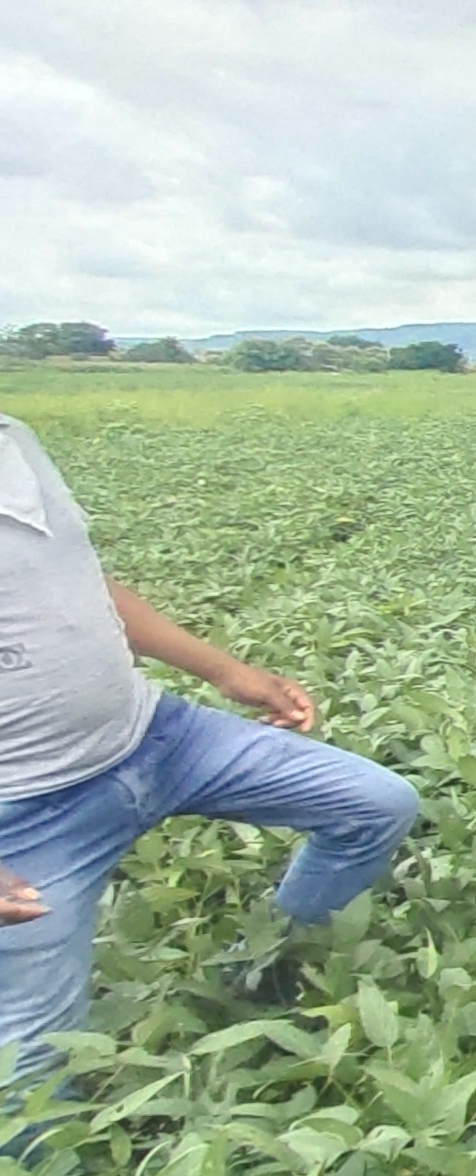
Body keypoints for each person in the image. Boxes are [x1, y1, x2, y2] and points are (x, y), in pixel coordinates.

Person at [0, 412, 420, 1084]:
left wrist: (225, 671)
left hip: (157, 737)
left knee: (374, 803)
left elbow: (83, 583)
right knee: (31, 1062)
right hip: (27, 809)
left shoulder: (14, 437)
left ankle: (261, 977)